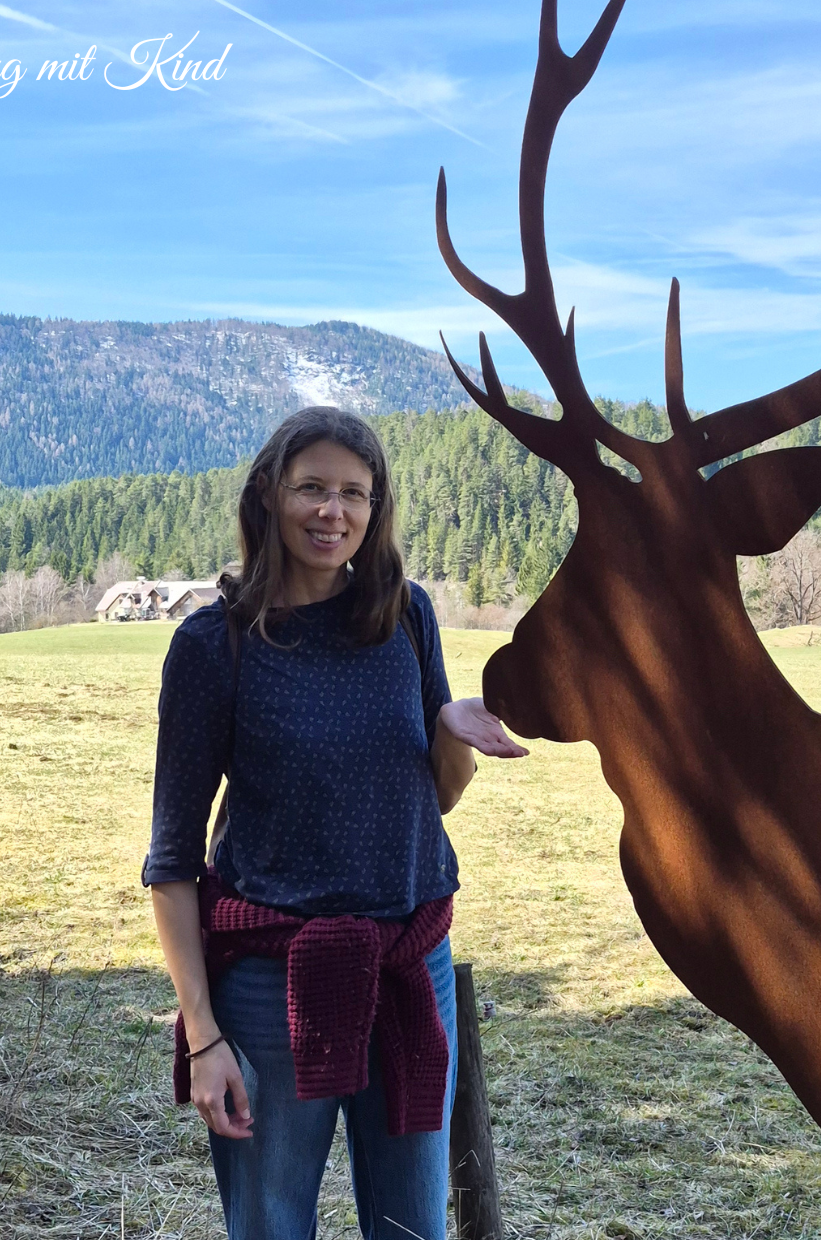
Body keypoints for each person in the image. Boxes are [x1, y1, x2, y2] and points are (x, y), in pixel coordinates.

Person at [143, 406, 527, 1240]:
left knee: (413, 1225)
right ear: (270, 497)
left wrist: (447, 730)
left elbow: (438, 797)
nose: (333, 511)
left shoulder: (406, 615)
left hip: (409, 965)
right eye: (312, 487)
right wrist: (203, 1036)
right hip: (270, 988)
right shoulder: (216, 645)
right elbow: (172, 859)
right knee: (272, 1224)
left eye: (354, 492)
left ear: (376, 507)